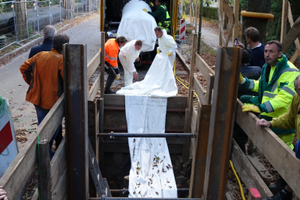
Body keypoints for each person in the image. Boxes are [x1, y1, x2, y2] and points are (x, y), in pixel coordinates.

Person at [238, 40, 299, 150]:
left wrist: (260, 107)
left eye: (271, 51)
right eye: (266, 51)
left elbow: (284, 98)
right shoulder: (268, 67)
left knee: (284, 153)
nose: (267, 54)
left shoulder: (290, 71)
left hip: (282, 119)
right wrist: (244, 81)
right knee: (271, 152)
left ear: (280, 54)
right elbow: (260, 86)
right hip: (268, 115)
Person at [20, 34, 70, 159]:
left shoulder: (40, 55)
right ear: (64, 46)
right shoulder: (61, 60)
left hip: (37, 97)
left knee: (42, 126)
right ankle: (44, 155)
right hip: (53, 100)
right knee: (52, 127)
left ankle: (44, 154)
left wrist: (32, 83)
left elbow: (24, 68)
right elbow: (68, 80)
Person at [256, 75, 300, 200]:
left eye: (271, 52)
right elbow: (289, 119)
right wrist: (271, 123)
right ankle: (286, 192)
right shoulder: (297, 99)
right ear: (296, 91)